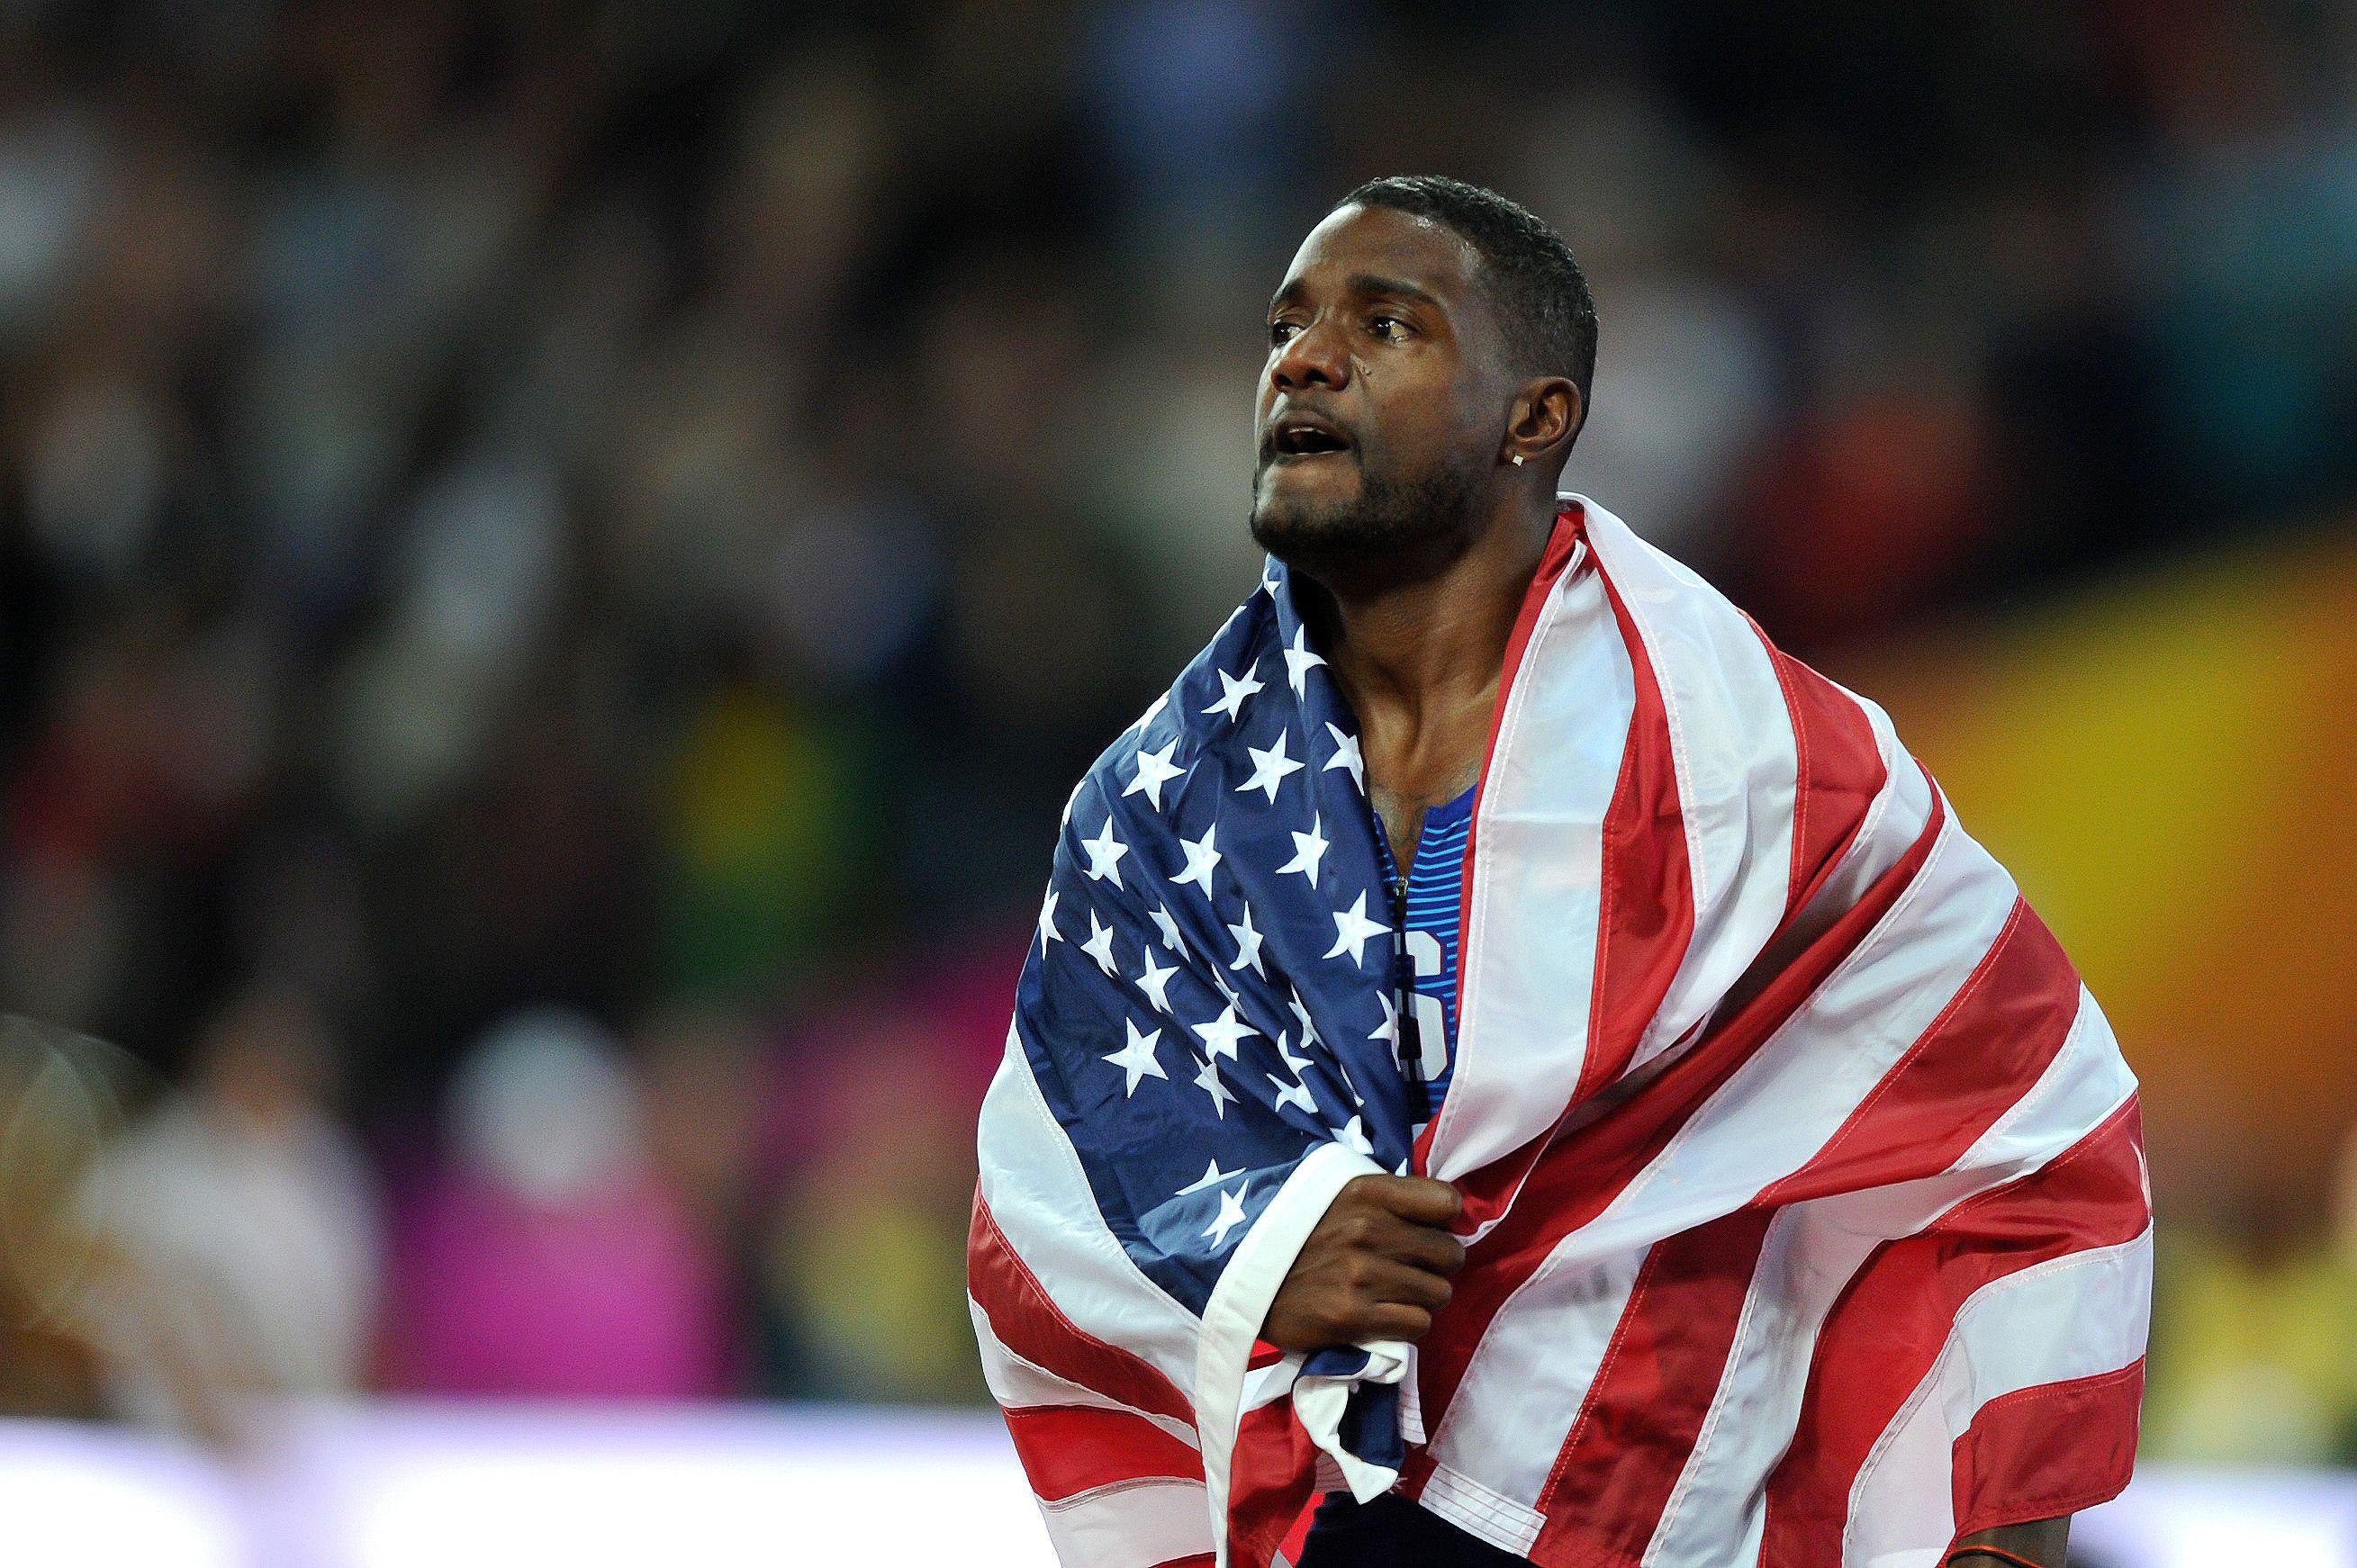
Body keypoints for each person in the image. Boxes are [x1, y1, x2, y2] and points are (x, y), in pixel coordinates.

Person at [971, 177, 2147, 1568]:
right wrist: (1255, 1236)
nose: (1303, 357)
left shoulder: (1743, 760)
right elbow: (1055, 1160)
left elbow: (2028, 1114)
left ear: (1535, 417)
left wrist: (2006, 1536)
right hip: (1307, 1524)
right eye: (1286, 326)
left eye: (1387, 324)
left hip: (1649, 1514)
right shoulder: (1159, 802)